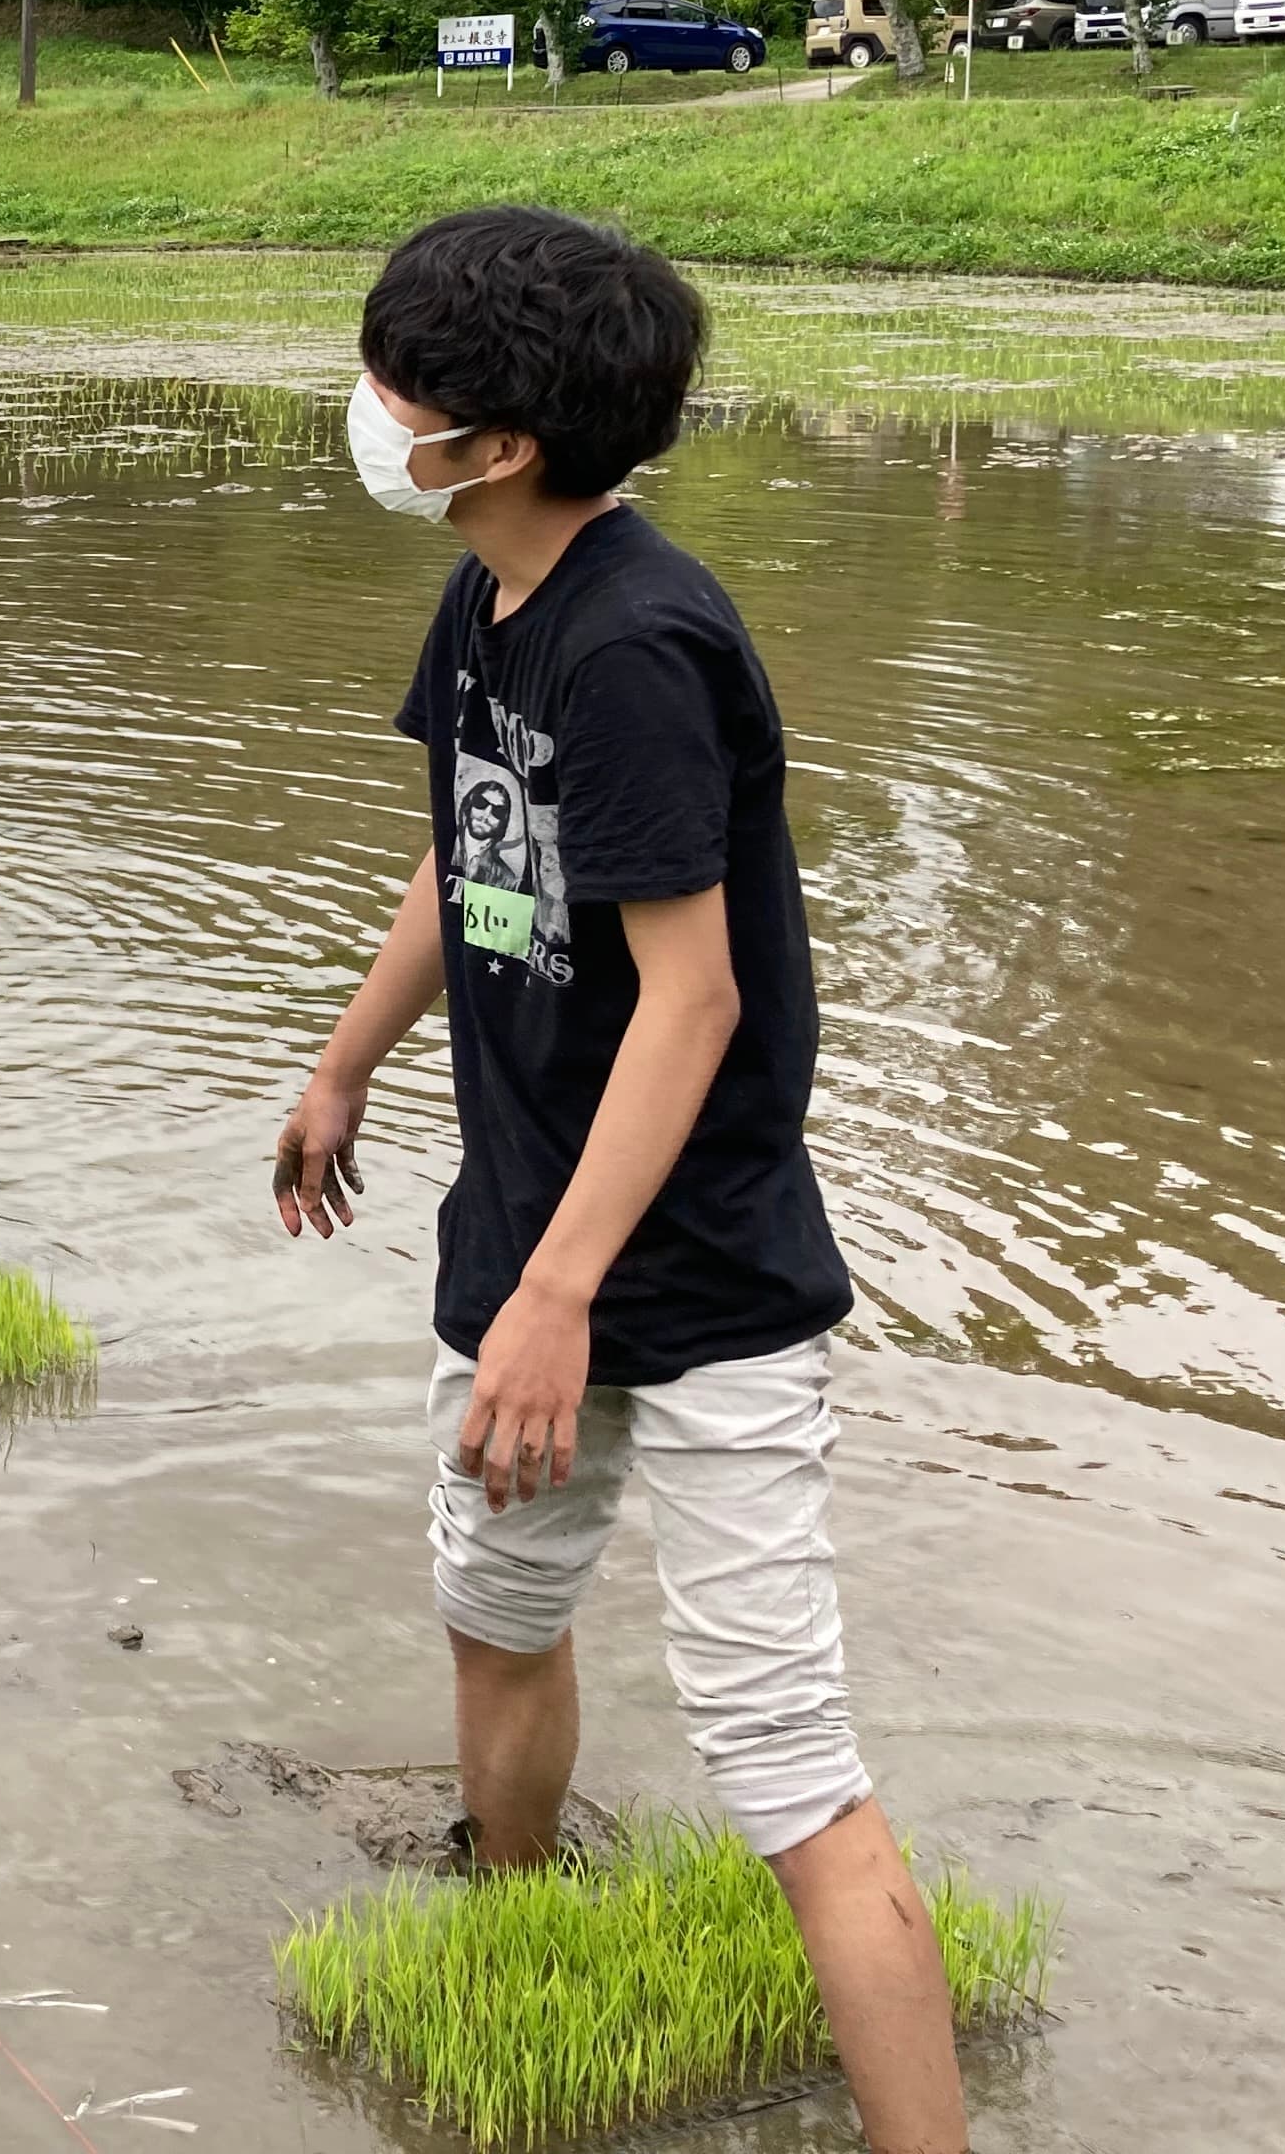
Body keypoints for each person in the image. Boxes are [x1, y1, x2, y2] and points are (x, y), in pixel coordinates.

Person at [272, 205, 969, 2154]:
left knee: (787, 1770)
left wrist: (566, 1296)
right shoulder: (487, 600)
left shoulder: (641, 639)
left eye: (396, 384)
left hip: (704, 1288)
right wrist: (344, 1066)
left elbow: (692, 997)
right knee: (498, 1607)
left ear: (491, 444)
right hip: (524, 1250)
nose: (366, 407)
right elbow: (462, 850)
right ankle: (512, 1915)